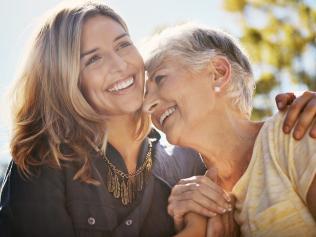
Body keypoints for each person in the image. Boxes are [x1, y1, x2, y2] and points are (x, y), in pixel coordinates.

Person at [0, 1, 314, 237]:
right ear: (67, 79)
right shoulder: (45, 160)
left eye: (123, 44)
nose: (121, 65)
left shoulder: (284, 138)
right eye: (92, 59)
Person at [143, 23, 316, 237]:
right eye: (144, 93)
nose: (146, 105)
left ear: (218, 73)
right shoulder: (190, 203)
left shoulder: (294, 132)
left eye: (160, 79)